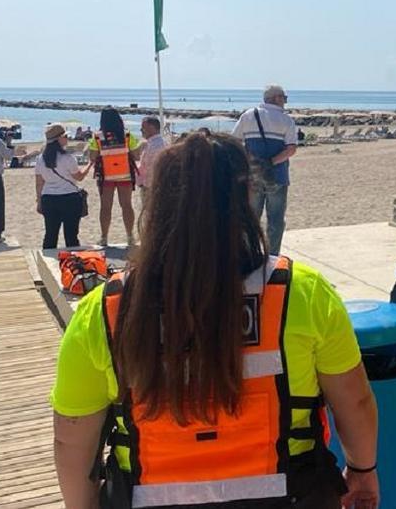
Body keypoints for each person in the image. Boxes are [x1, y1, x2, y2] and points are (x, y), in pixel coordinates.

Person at [50, 131, 379, 509]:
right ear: (244, 200)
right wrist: (362, 469)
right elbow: (354, 402)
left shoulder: (106, 311)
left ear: (157, 205)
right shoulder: (301, 294)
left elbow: (72, 440)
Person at [233, 85, 299, 255]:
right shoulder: (286, 120)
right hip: (277, 175)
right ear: (276, 98)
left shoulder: (248, 116)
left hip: (252, 175)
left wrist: (250, 160)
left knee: (251, 218)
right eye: (284, 97)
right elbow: (291, 149)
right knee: (275, 220)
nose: (285, 101)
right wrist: (271, 161)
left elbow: (235, 142)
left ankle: (250, 254)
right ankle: (272, 256)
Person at [87, 108, 140, 246]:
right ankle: (130, 236)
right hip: (125, 175)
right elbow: (136, 155)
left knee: (105, 207)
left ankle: (104, 238)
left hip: (106, 177)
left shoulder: (98, 137)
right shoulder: (127, 135)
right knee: (127, 206)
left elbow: (92, 157)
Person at [35, 124, 91, 249]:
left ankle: (47, 262)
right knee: (71, 236)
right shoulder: (67, 158)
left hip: (49, 198)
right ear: (58, 139)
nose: (67, 138)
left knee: (50, 235)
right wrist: (89, 164)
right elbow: (79, 177)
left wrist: (39, 201)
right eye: (65, 136)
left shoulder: (41, 159)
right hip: (69, 198)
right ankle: (73, 264)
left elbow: (39, 183)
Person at [136, 115, 168, 207]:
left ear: (152, 128)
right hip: (154, 185)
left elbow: (149, 168)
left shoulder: (155, 146)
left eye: (143, 128)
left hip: (151, 186)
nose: (141, 130)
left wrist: (140, 181)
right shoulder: (159, 142)